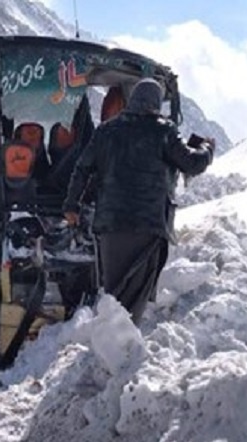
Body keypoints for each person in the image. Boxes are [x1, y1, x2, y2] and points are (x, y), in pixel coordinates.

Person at [62, 78, 213, 324]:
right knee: (137, 290)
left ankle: (111, 337)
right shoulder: (163, 131)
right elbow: (192, 163)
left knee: (114, 290)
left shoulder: (106, 131)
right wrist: (207, 150)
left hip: (110, 225)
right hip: (147, 225)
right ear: (155, 102)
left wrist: (71, 205)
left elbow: (82, 169)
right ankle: (124, 343)